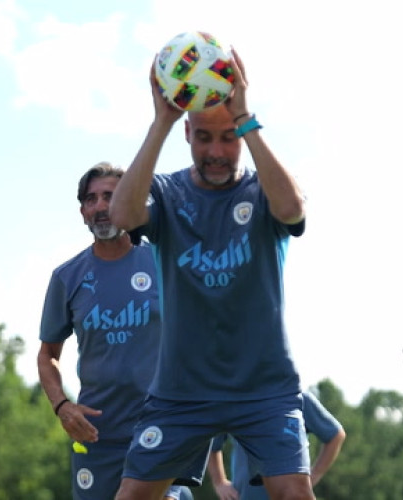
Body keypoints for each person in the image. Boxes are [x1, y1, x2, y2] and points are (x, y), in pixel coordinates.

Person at [109, 46, 312, 500]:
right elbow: (122, 216)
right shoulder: (164, 192)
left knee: (294, 493)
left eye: (228, 136)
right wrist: (160, 122)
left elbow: (293, 210)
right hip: (181, 391)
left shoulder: (265, 189)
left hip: (264, 386)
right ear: (188, 133)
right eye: (203, 137)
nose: (217, 151)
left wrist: (247, 118)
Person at [37, 162, 191, 500]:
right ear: (82, 212)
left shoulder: (165, 263)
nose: (101, 207)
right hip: (95, 436)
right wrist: (62, 405)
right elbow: (47, 355)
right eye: (91, 199)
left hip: (160, 429)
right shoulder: (67, 277)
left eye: (111, 196)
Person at [208, 390, 346, 500]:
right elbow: (212, 442)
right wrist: (219, 482)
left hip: (291, 495)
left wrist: (314, 475)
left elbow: (335, 435)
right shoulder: (236, 402)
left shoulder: (297, 398)